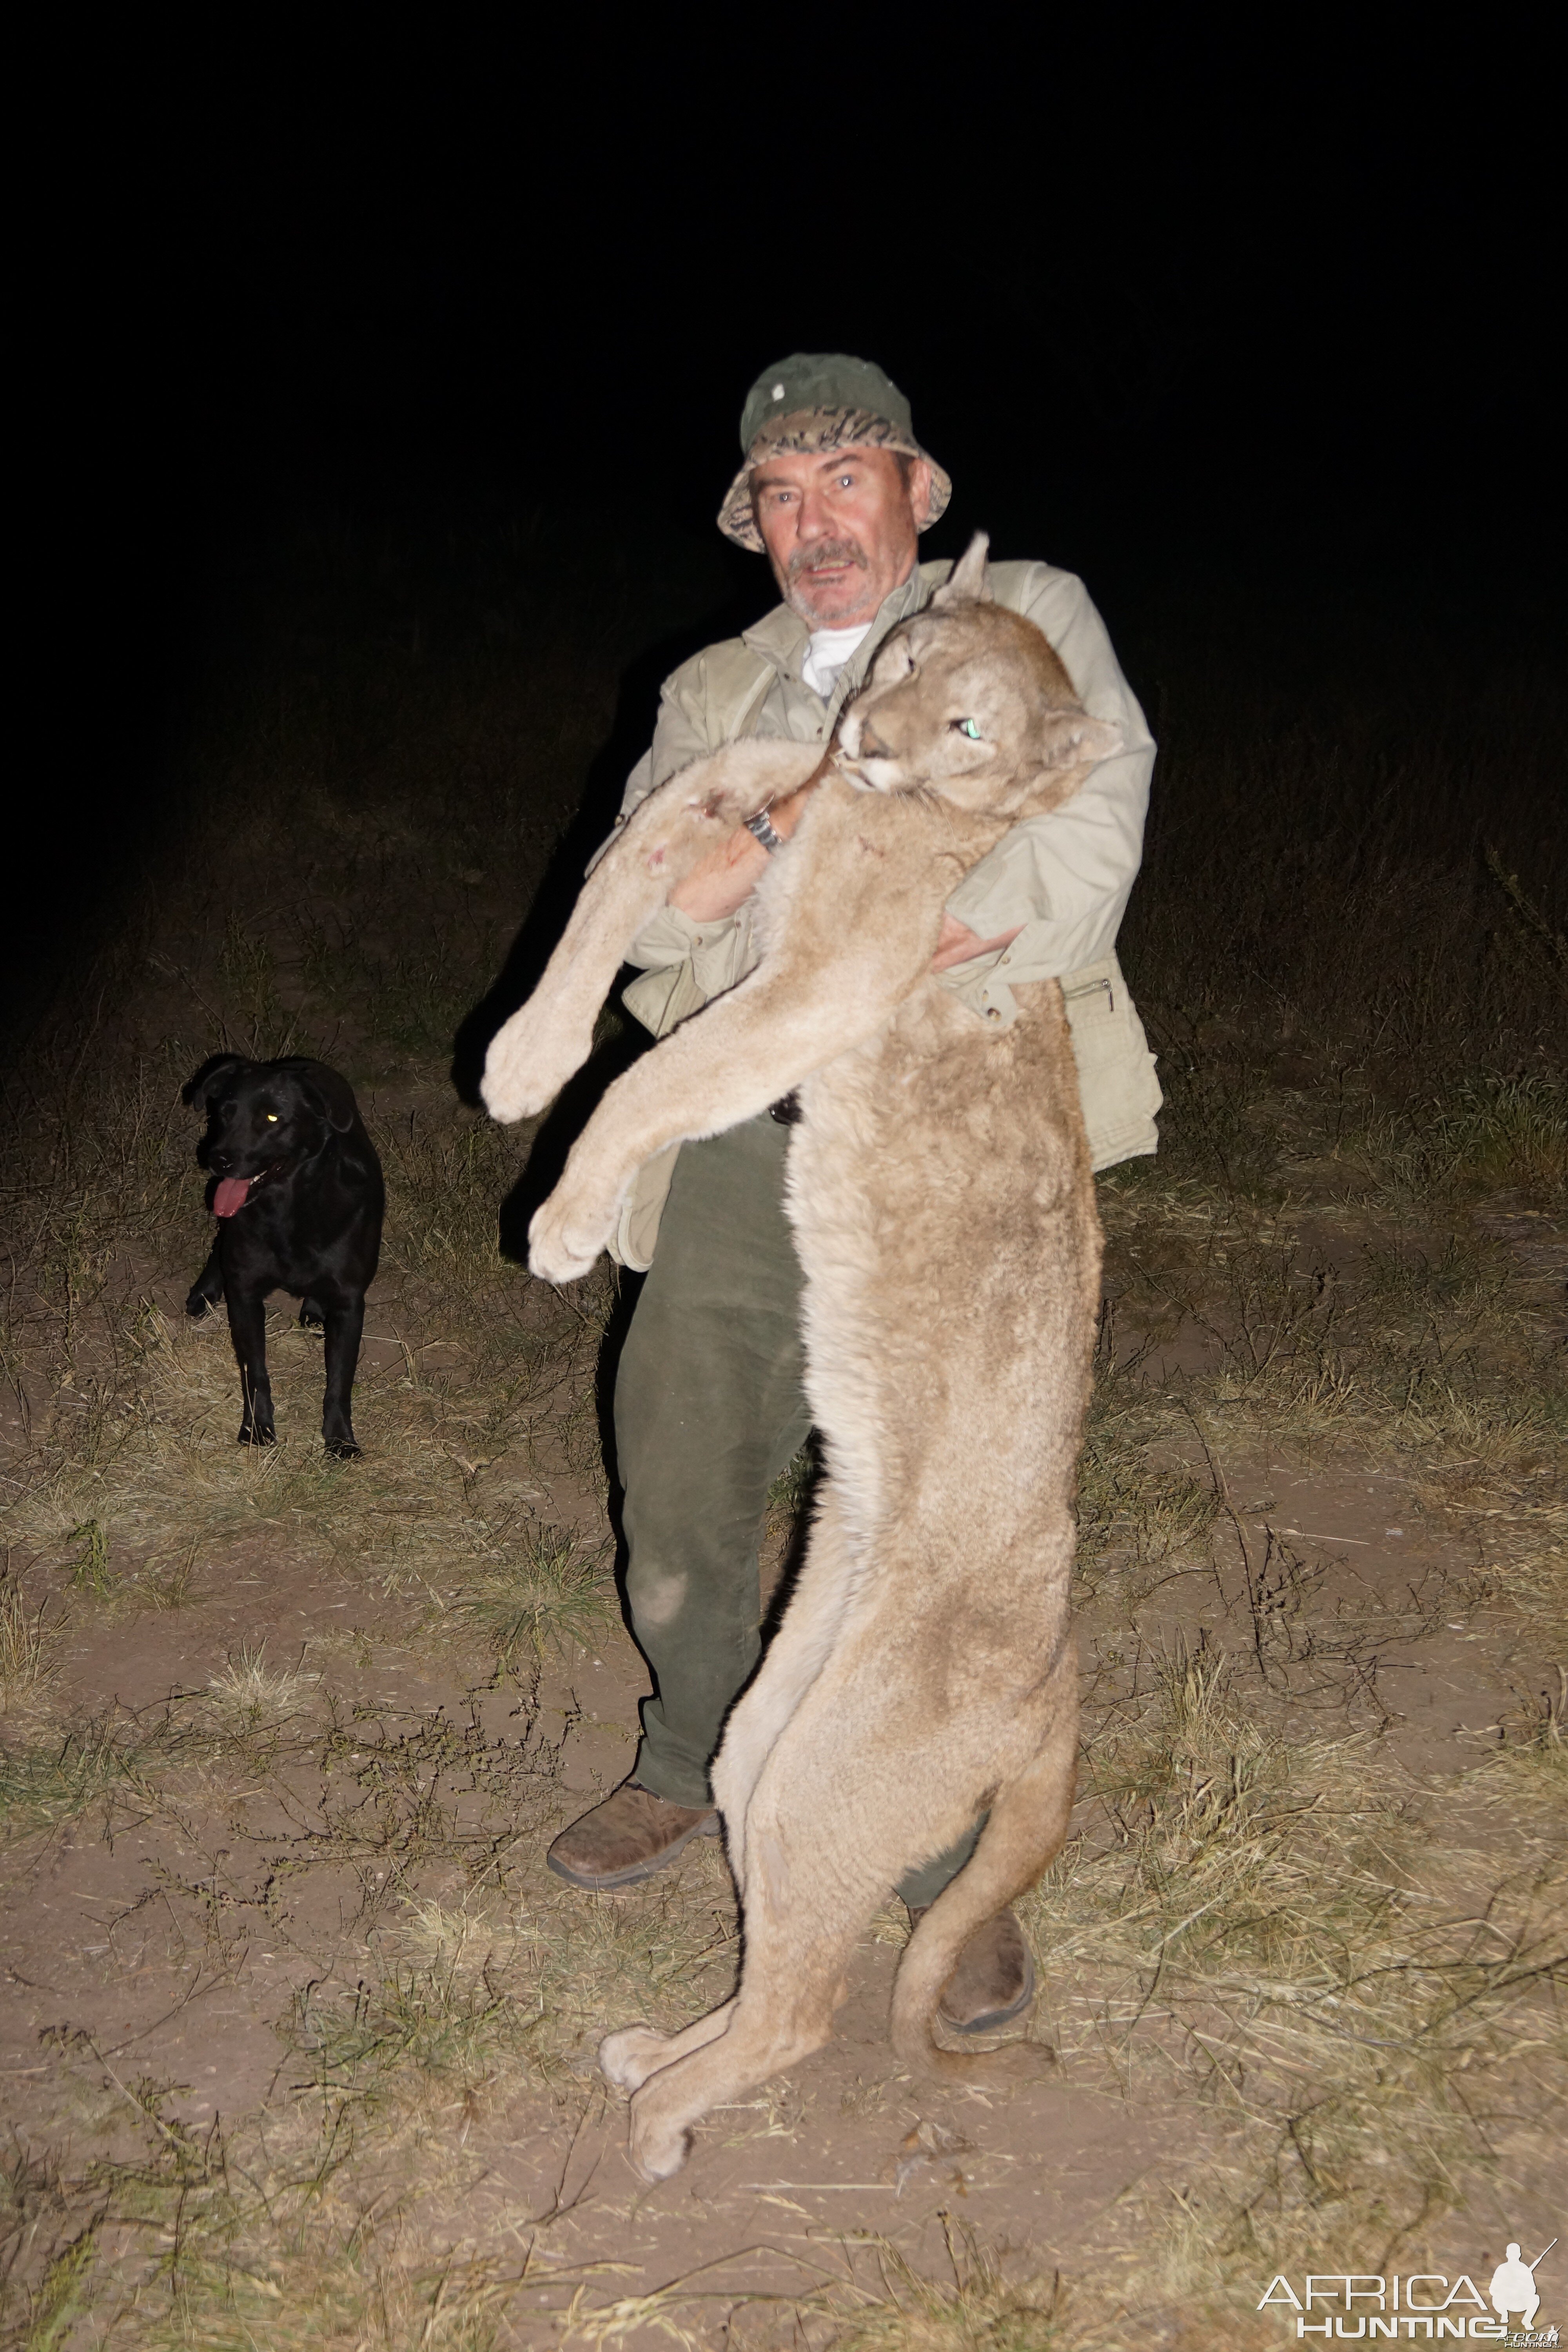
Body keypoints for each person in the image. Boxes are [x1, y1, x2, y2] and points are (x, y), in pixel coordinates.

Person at [545, 353, 1161, 2034]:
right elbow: (648, 921)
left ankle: (931, 1858)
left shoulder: (1028, 612)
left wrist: (875, 930)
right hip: (759, 1134)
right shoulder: (711, 690)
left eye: (848, 484)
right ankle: (687, 1756)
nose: (818, 526)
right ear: (757, 524)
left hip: (965, 1146)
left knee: (947, 1524)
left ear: (913, 493)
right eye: (784, 497)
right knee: (677, 1459)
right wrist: (715, 884)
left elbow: (1086, 835)